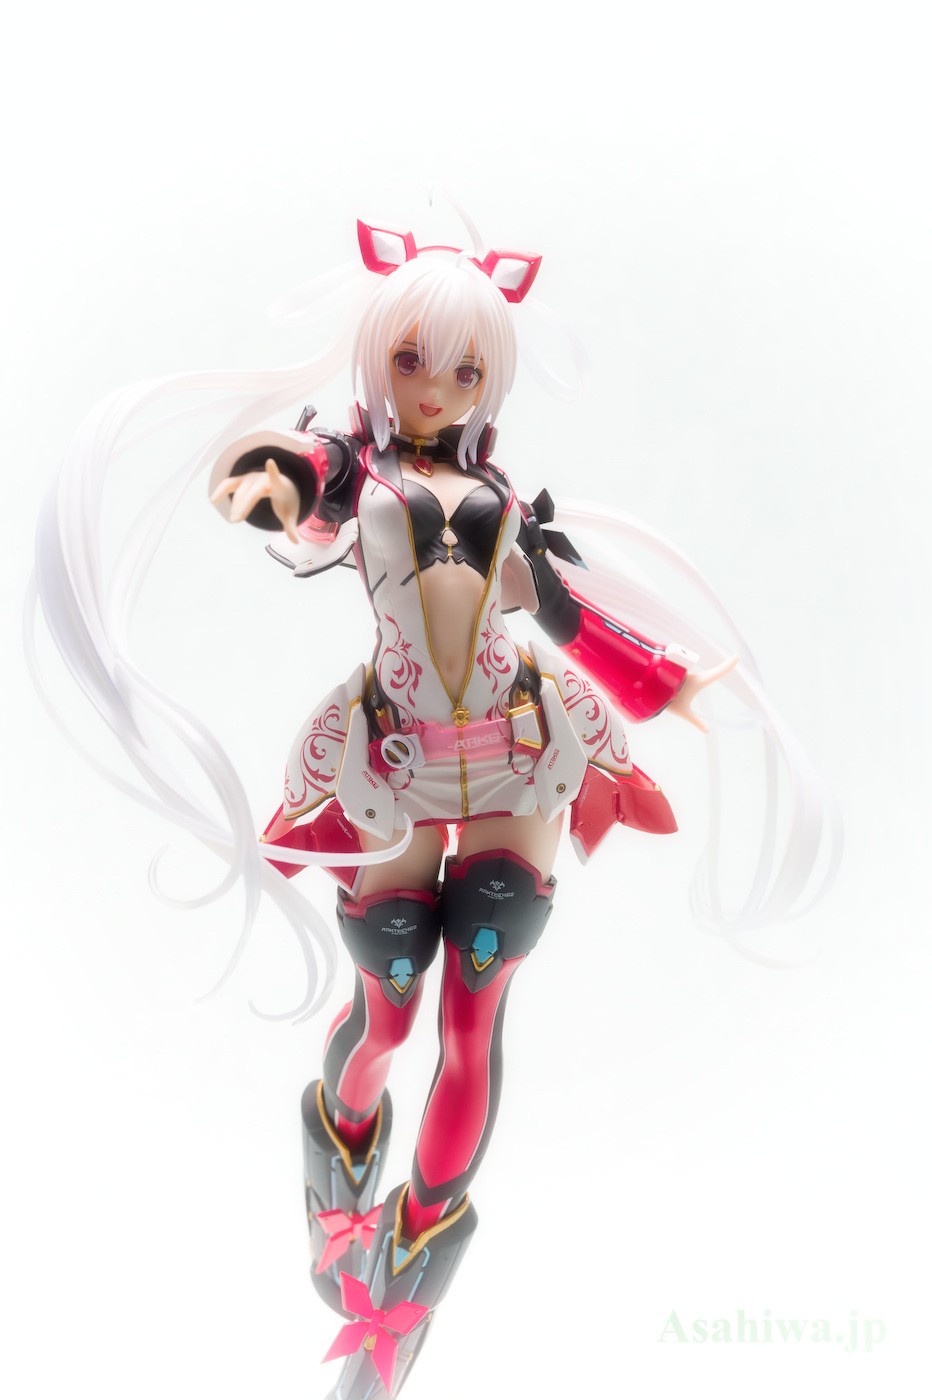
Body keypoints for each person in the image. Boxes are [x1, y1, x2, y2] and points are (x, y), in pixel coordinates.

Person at [30, 213, 840, 1400]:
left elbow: (554, 607)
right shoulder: (354, 470)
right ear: (377, 356)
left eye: (463, 369)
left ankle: (404, 1288)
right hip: (396, 762)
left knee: (474, 1008)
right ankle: (336, 1169)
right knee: (391, 1006)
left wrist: (658, 676)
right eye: (412, 359)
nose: (435, 386)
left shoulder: (501, 490)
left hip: (518, 753)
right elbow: (280, 484)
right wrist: (267, 474)